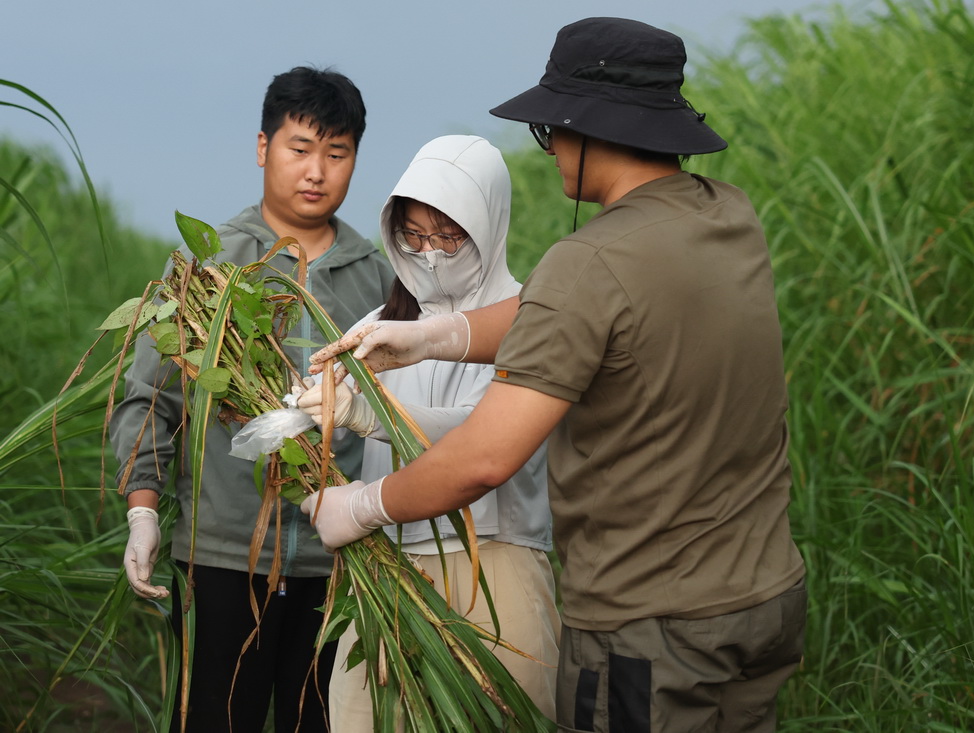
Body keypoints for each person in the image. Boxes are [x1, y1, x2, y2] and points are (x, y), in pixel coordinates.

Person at [304, 17, 806, 733]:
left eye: (551, 131)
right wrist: (437, 337)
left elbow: (484, 459)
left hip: (652, 626)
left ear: (589, 128)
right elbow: (583, 316)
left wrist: (361, 505)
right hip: (763, 599)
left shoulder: (589, 262)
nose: (552, 150)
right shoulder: (728, 216)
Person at [111, 66, 394, 733]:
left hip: (341, 563)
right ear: (263, 147)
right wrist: (143, 510)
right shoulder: (210, 267)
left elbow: (397, 416)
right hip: (222, 556)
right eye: (300, 148)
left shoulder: (378, 277)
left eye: (337, 152)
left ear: (355, 156)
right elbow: (150, 397)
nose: (316, 171)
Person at [296, 135, 559, 728]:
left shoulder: (528, 316)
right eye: (414, 237)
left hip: (491, 563)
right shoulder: (382, 322)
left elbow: (482, 433)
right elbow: (325, 387)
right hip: (389, 562)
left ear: (488, 226)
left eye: (448, 237)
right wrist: (299, 408)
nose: (431, 254)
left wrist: (374, 415)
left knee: (499, 715)